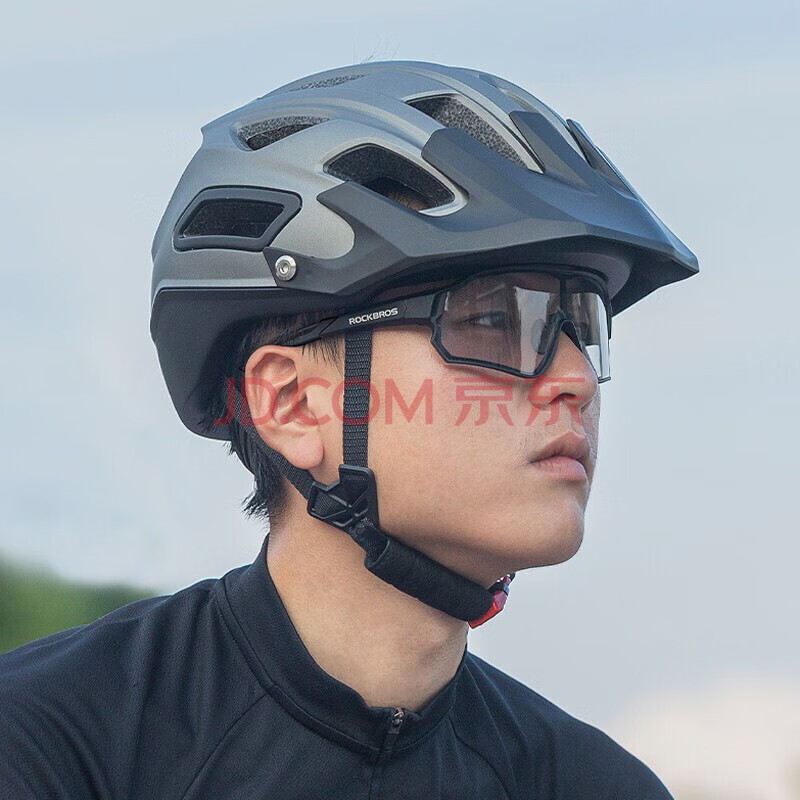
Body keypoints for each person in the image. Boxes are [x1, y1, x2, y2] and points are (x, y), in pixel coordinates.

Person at [0, 61, 698, 798]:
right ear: (293, 403)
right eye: (496, 318)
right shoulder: (48, 744)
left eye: (582, 328)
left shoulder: (594, 784)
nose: (577, 378)